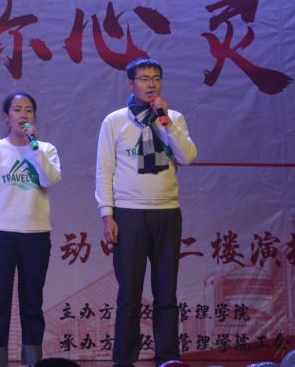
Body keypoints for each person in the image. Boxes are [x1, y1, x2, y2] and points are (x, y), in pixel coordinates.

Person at [95, 57, 198, 367]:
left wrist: (165, 121)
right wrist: (107, 214)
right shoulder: (115, 121)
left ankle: (167, 359)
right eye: (144, 78)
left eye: (155, 78)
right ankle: (124, 361)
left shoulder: (173, 118)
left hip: (167, 212)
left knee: (166, 294)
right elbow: (104, 170)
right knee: (129, 295)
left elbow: (187, 157)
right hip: (129, 213)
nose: (151, 84)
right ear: (131, 83)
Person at [0, 92, 62, 367]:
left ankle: (33, 361)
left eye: (28, 110)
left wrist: (34, 148)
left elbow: (50, 179)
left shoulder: (45, 149)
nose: (23, 114)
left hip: (36, 236)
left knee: (32, 303)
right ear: (6, 116)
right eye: (17, 109)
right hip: (2, 236)